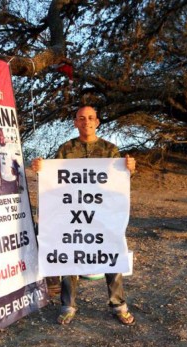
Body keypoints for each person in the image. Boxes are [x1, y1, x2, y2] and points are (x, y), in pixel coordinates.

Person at [31, 105, 136, 326]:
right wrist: (40, 168)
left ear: (97, 122)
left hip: (103, 214)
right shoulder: (66, 150)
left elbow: (119, 183)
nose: (86, 121)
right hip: (73, 215)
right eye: (81, 118)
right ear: (75, 123)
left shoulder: (111, 150)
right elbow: (54, 179)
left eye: (90, 118)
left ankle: (118, 304)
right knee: (71, 254)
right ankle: (68, 305)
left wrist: (130, 169)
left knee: (111, 252)